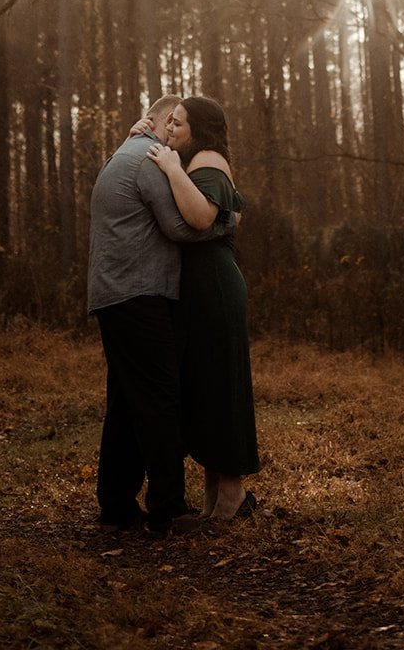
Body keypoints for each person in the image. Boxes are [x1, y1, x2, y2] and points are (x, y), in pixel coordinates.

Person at [86, 92, 235, 534]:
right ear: (163, 120)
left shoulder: (121, 155)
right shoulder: (148, 158)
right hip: (139, 294)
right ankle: (168, 509)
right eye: (172, 123)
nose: (174, 134)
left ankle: (115, 507)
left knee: (127, 405)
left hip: (113, 294)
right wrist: (227, 220)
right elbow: (178, 224)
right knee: (159, 399)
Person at [144, 95, 259, 522]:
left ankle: (231, 495)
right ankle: (217, 498)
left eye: (179, 123)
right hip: (201, 290)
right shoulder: (196, 157)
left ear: (200, 129)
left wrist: (172, 168)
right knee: (208, 389)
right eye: (168, 122)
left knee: (221, 388)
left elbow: (200, 217)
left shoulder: (207, 159)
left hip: (214, 289)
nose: (171, 129)